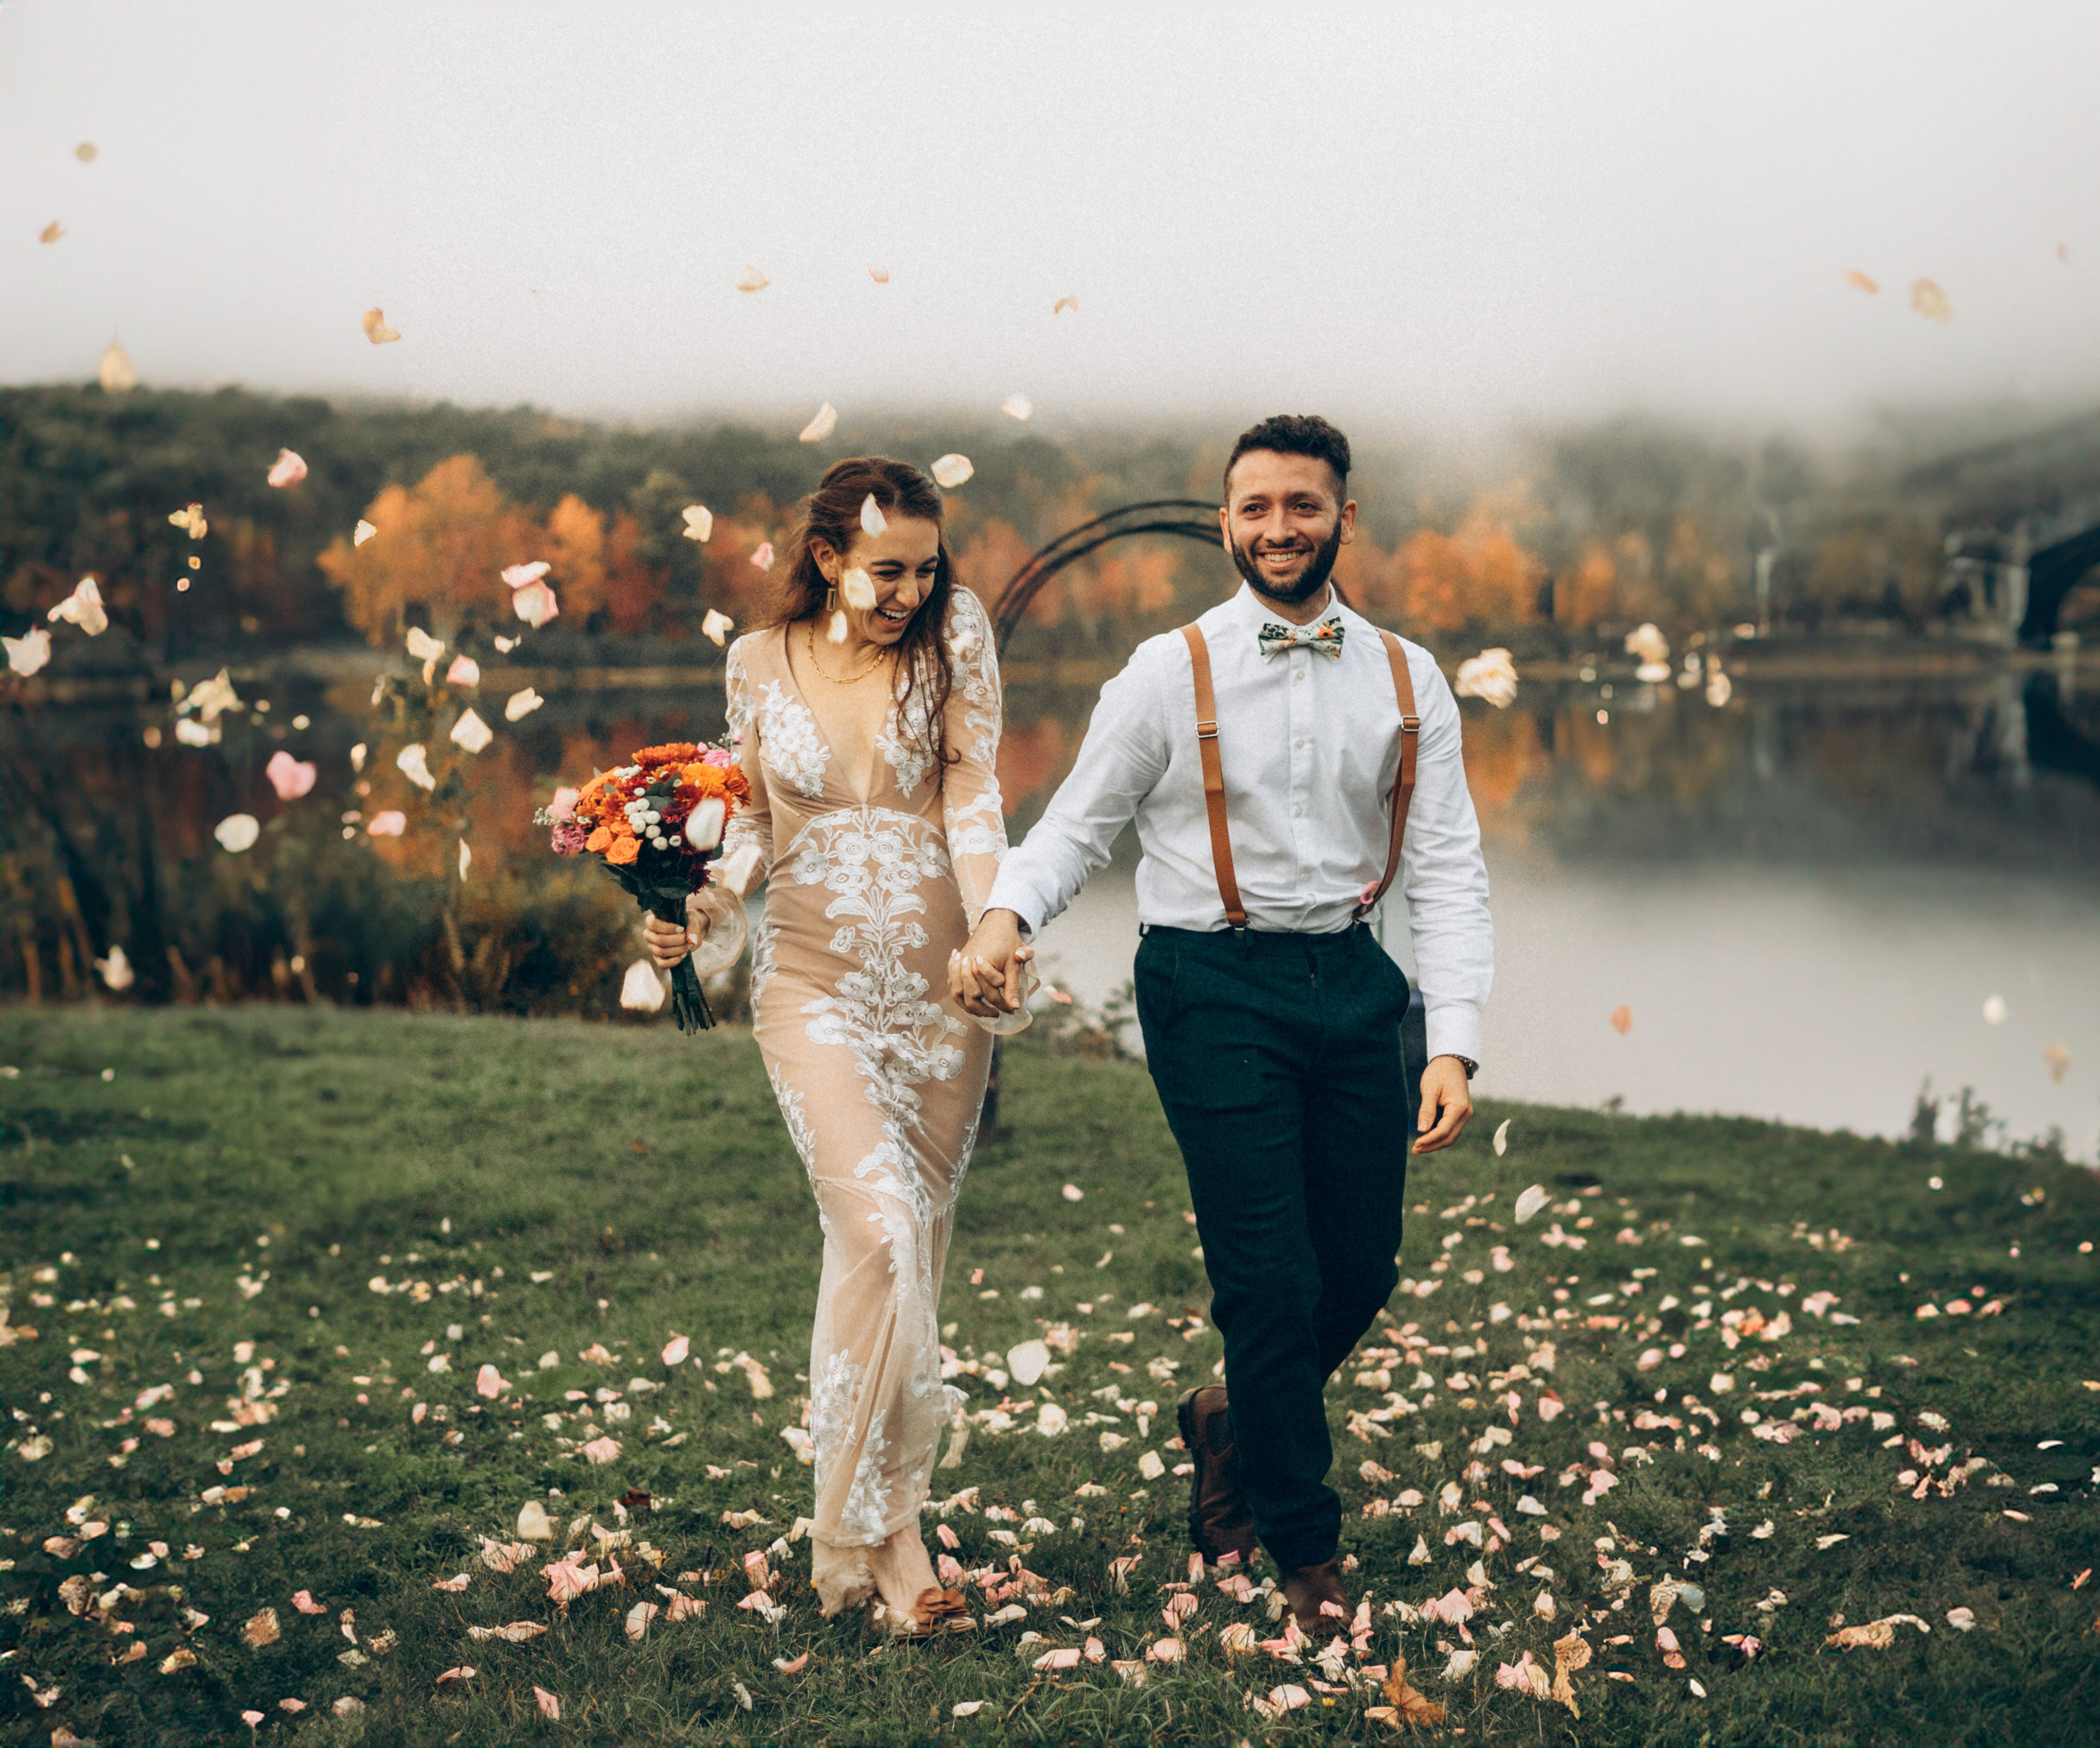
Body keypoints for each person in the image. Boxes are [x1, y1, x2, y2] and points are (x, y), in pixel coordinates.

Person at [950, 414, 1493, 1632]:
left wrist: (1453, 1039)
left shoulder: (1408, 678)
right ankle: (1303, 1545)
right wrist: (1003, 919)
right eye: (1257, 508)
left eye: (1303, 506)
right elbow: (1076, 826)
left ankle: (1230, 1419)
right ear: (1226, 522)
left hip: (1354, 983)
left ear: (1343, 516)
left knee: (1360, 1266)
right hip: (1209, 984)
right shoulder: (1167, 670)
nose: (1279, 528)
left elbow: (1449, 869)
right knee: (1268, 1276)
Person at [644, 456, 1008, 1636]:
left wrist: (996, 922)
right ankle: (887, 1538)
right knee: (880, 1228)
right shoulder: (758, 662)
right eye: (888, 570)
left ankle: (857, 1523)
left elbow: (972, 794)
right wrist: (702, 906)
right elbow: (751, 820)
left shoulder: (954, 638)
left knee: (905, 1252)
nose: (912, 591)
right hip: (810, 983)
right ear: (828, 557)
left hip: (941, 994)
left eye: (927, 569)